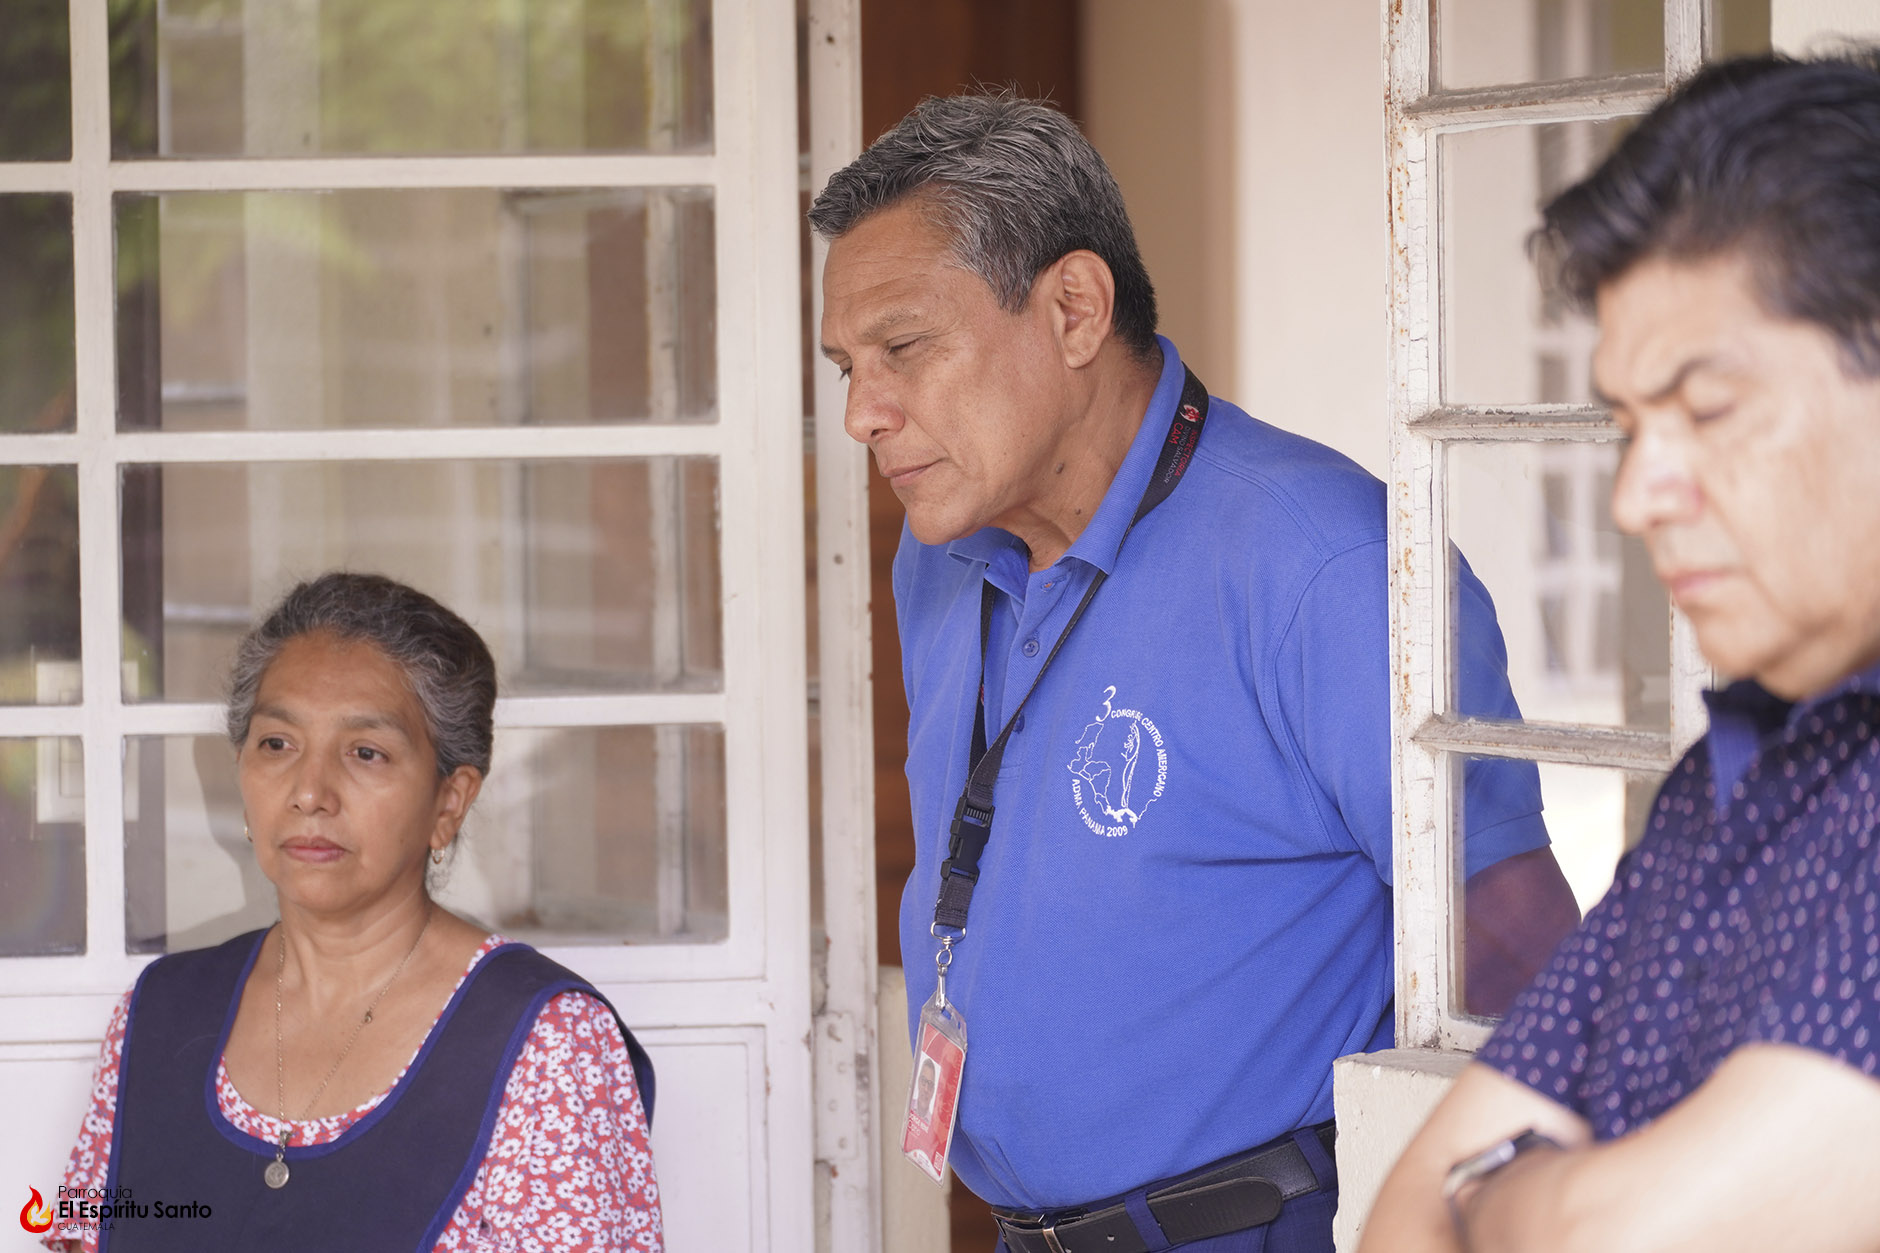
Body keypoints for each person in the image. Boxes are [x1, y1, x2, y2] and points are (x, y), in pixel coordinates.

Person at [810, 93, 1580, 1252]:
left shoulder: (1328, 569)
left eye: (904, 348)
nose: (865, 412)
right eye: (846, 369)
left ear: (1073, 307)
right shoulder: (942, 557)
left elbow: (1520, 970)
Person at [1360, 52, 1880, 1253]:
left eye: (1703, 410)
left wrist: (1502, 1194)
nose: (1635, 495)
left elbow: (1614, 1234)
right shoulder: (1725, 784)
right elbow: (1401, 1217)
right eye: (1626, 425)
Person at [42, 572, 663, 1252]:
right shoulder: (156, 1015)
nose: (310, 791)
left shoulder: (544, 1041)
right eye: (277, 743)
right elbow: (76, 1234)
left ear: (449, 801)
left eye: (366, 752)